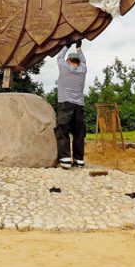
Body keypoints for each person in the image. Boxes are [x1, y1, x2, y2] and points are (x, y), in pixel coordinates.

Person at [55, 38, 87, 169]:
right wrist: (79, 48)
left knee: (63, 131)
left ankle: (66, 159)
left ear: (68, 61)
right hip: (79, 106)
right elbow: (84, 61)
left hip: (65, 104)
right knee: (79, 133)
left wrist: (66, 46)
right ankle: (79, 160)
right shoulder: (83, 70)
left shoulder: (64, 68)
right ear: (78, 62)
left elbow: (59, 58)